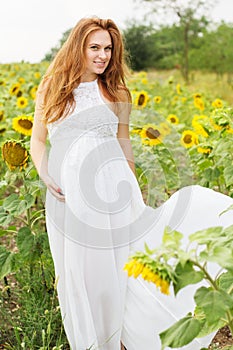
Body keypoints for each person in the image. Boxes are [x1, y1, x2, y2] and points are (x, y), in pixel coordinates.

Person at [30, 17, 233, 350]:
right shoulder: (51, 85)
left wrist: (134, 191)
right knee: (82, 276)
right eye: (94, 47)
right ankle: (96, 342)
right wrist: (45, 174)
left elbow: (123, 143)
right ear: (77, 46)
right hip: (67, 194)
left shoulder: (115, 90)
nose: (102, 56)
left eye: (108, 49)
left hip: (113, 191)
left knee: (124, 270)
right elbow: (38, 141)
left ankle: (129, 341)